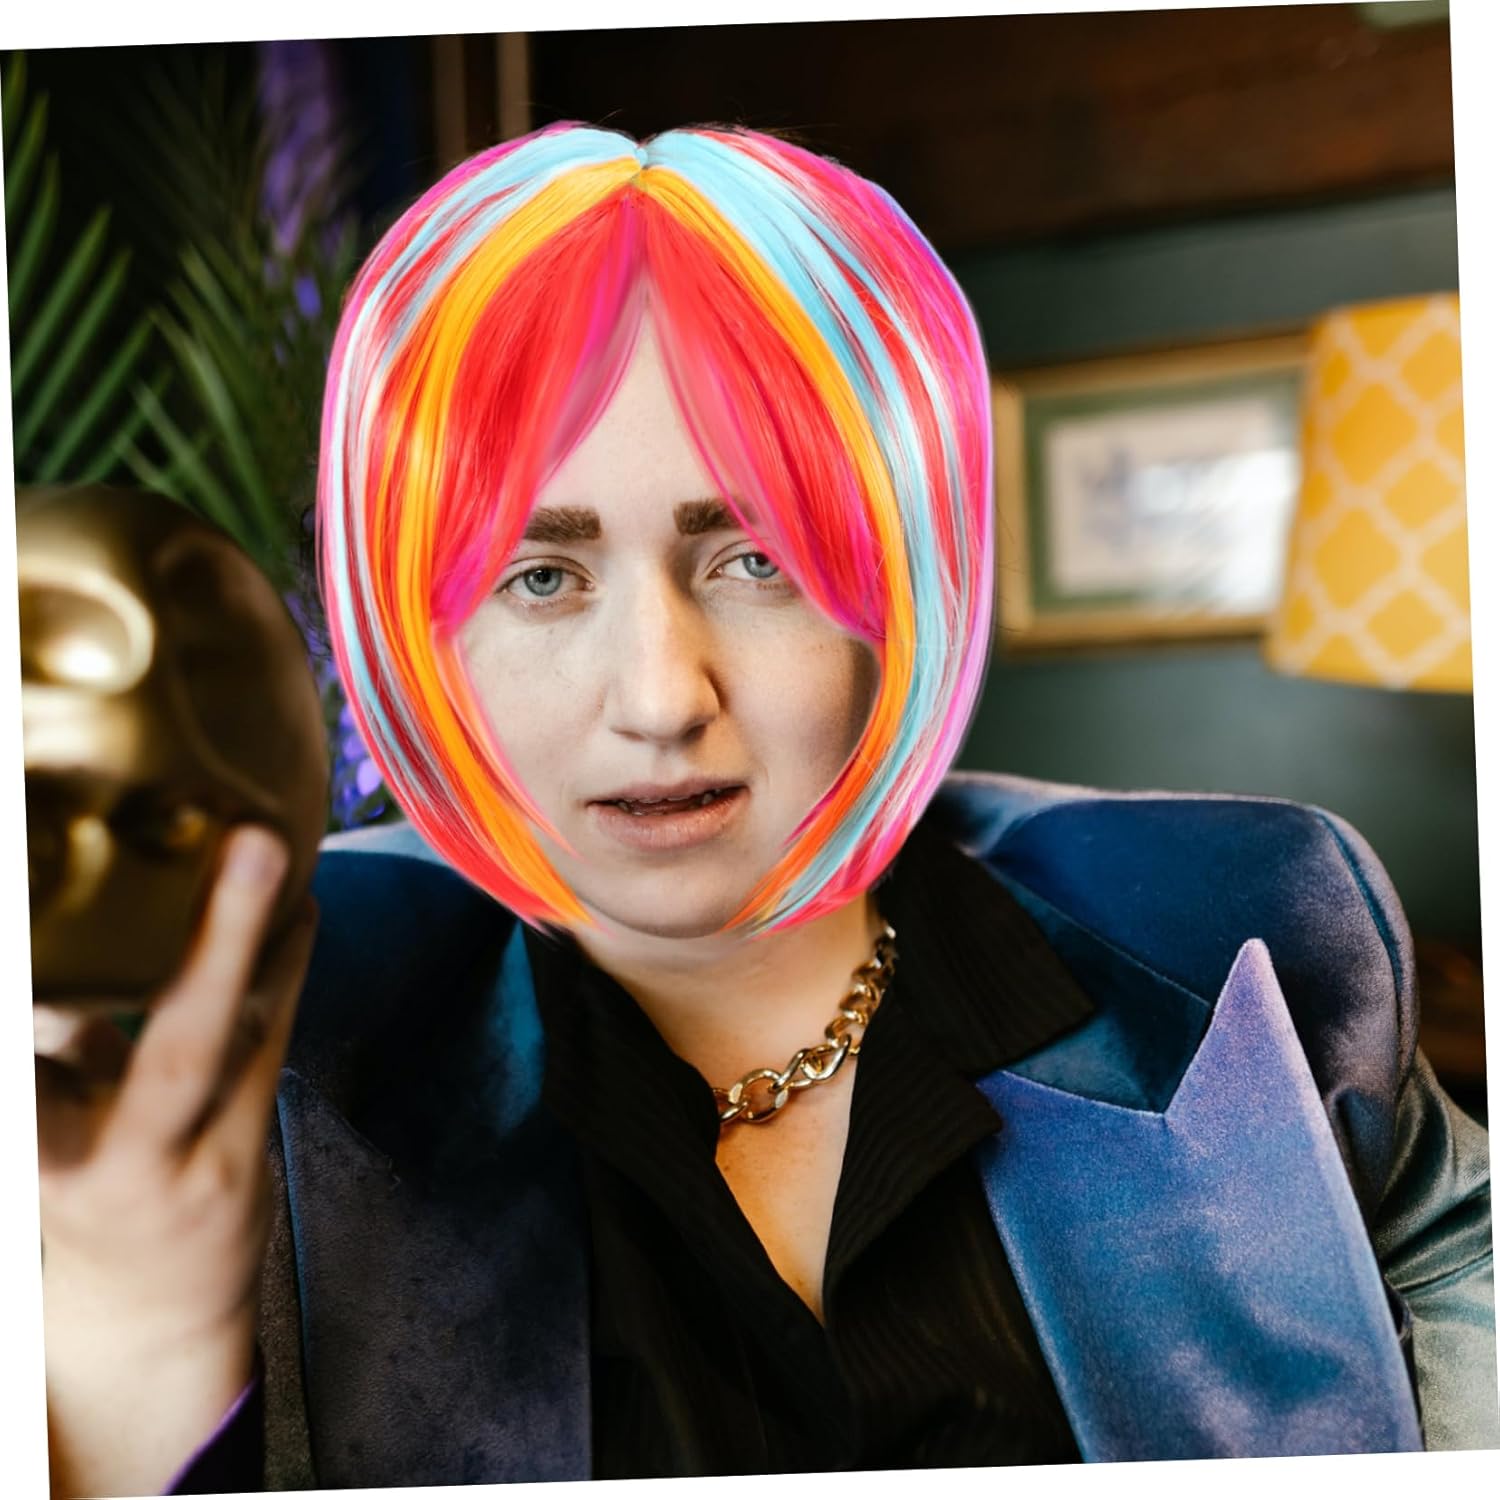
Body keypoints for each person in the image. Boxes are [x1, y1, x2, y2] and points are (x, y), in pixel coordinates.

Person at [36, 123, 1498, 1497]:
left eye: (755, 560)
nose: (661, 697)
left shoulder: (1254, 936)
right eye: (541, 577)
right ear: (424, 637)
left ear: (897, 587)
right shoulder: (261, 1030)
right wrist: (132, 1346)